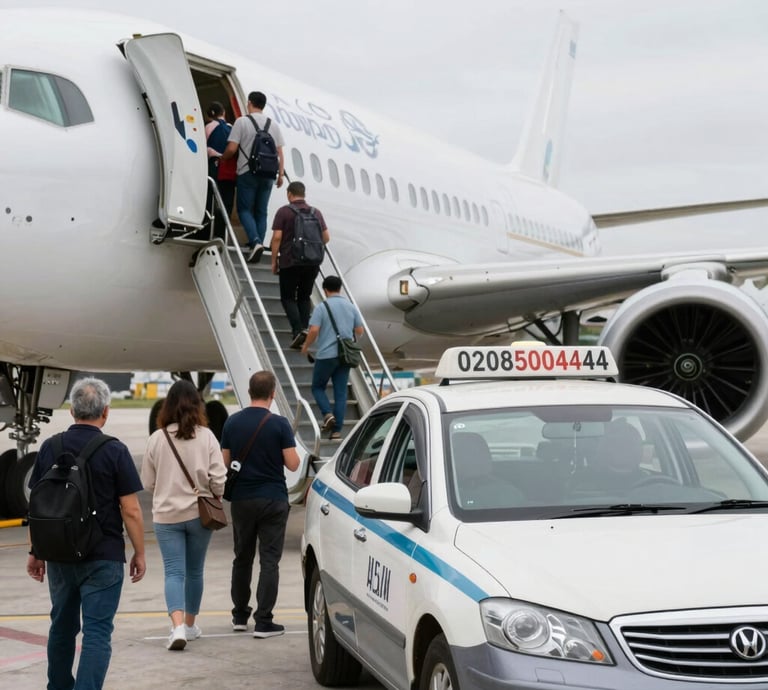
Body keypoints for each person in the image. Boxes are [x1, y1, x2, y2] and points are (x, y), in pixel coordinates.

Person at [26, 377, 146, 690]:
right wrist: (140, 552)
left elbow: (38, 509)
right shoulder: (115, 451)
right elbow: (131, 510)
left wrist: (35, 551)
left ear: (71, 410)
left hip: (60, 554)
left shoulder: (50, 447)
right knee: (97, 632)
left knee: (62, 628)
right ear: (105, 412)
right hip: (103, 555)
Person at [140, 380, 227, 651]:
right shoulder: (207, 436)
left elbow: (148, 482)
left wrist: (167, 487)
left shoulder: (157, 438)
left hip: (167, 515)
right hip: (200, 515)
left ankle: (176, 626)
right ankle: (190, 625)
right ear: (198, 405)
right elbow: (219, 476)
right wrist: (215, 492)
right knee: (194, 571)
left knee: (173, 572)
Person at [220, 371, 300, 638]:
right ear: (273, 393)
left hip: (242, 499)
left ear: (249, 392)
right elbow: (292, 464)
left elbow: (225, 462)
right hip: (273, 499)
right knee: (269, 561)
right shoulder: (279, 424)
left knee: (242, 558)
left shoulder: (232, 422)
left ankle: (240, 616)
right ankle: (264, 621)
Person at [221, 91, 285, 263]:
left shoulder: (242, 122)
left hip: (247, 172)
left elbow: (232, 149)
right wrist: (280, 175)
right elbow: (280, 152)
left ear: (249, 103)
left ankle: (255, 242)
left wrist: (222, 158)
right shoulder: (274, 125)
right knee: (261, 211)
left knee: (244, 210)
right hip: (269, 174)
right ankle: (257, 244)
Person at [301, 275, 364, 440]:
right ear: (340, 288)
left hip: (326, 355)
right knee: (341, 393)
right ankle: (336, 431)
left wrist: (306, 346)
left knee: (317, 387)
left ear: (325, 289)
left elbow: (314, 330)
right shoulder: (350, 306)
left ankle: (327, 414)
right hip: (345, 356)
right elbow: (359, 331)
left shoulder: (321, 307)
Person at [270, 181, 330, 348]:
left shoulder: (284, 212)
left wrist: (274, 261)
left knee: (288, 297)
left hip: (290, 261)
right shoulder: (316, 212)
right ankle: (305, 329)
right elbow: (326, 238)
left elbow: (276, 238)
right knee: (304, 297)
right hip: (312, 262)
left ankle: (297, 331)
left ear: (289, 193)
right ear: (304, 194)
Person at [204, 101, 236, 237]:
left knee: (210, 201)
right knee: (226, 202)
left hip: (214, 167)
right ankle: (221, 233)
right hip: (229, 169)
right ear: (224, 113)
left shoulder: (209, 127)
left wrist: (214, 154)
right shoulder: (232, 127)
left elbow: (203, 148)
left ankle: (205, 231)